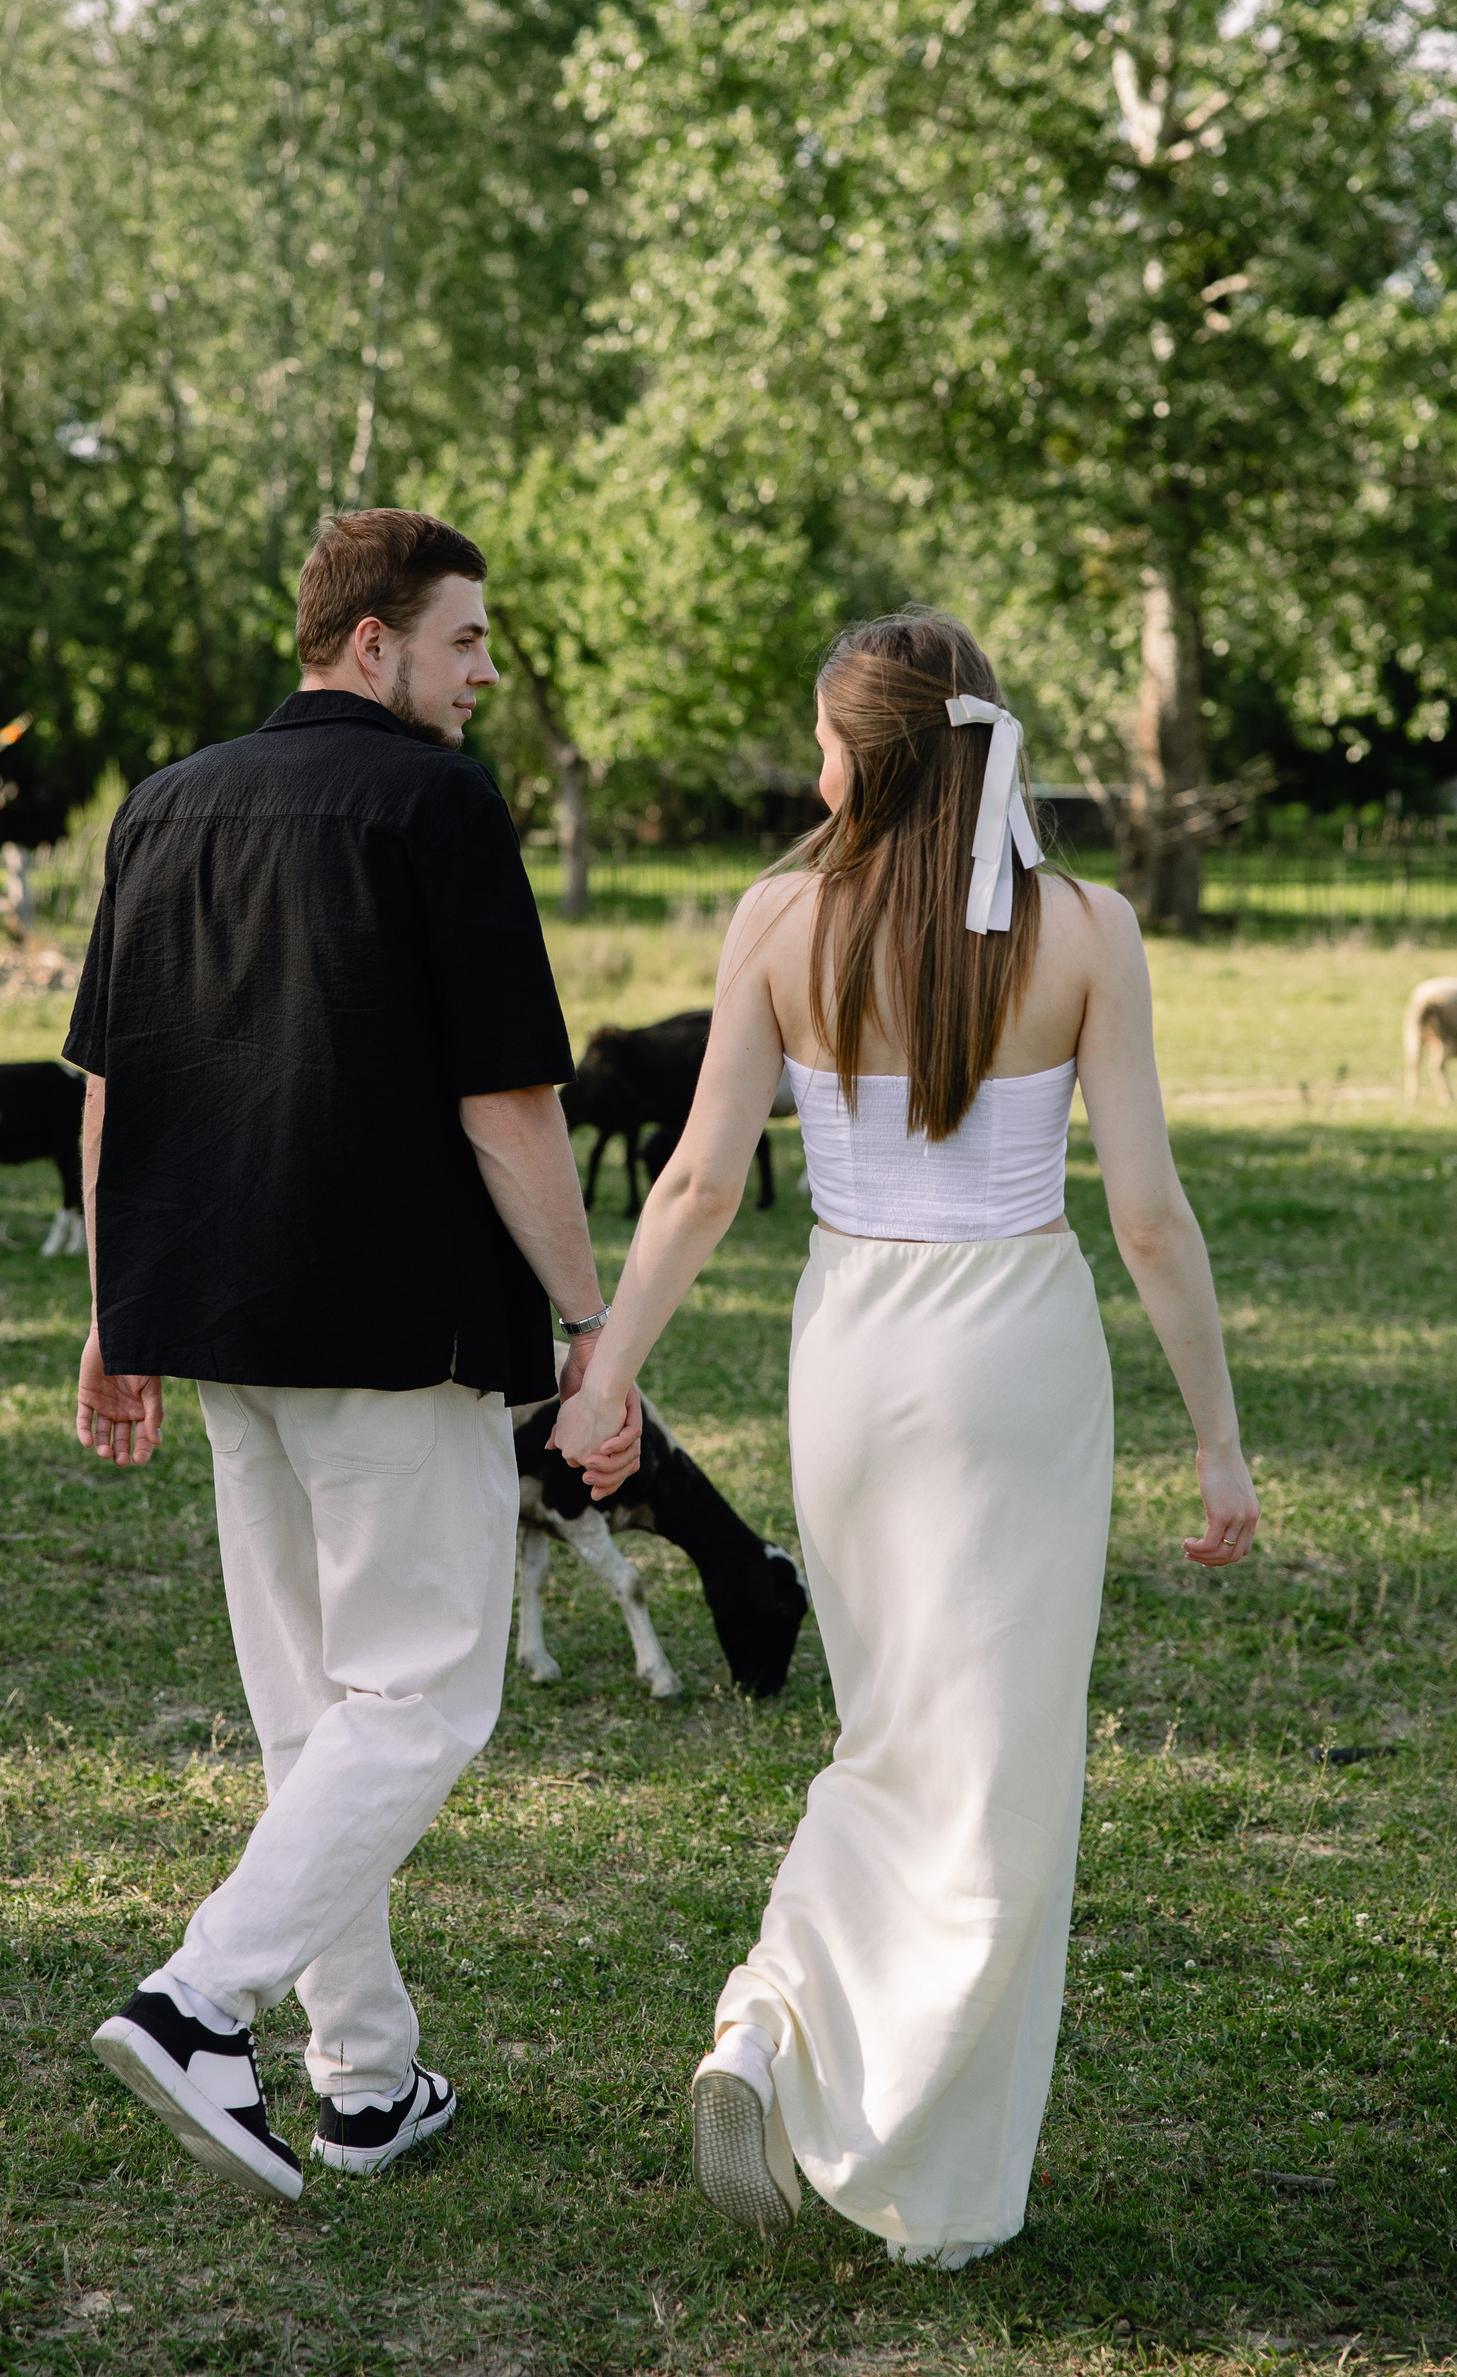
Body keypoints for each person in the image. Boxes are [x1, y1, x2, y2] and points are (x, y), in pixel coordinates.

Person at [554, 610, 1259, 2267]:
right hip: (1015, 1355)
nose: (814, 774)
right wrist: (1219, 1444)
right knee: (996, 1766)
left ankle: (772, 2026)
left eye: (822, 744)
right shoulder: (1088, 929)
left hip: (854, 1349)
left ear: (863, 757)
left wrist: (605, 1379)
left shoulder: (777, 916)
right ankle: (914, 2164)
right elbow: (1149, 1220)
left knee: (885, 1731)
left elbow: (699, 1183)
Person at [62, 508, 636, 2206]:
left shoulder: (162, 804)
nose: (484, 674)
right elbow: (510, 1104)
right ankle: (199, 2001)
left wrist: (113, 1307)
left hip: (216, 1316)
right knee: (425, 1695)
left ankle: (367, 2083)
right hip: (390, 1329)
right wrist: (593, 1324)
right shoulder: (438, 804)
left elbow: (110, 1092)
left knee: (315, 1714)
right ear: (371, 642)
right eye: (466, 640)